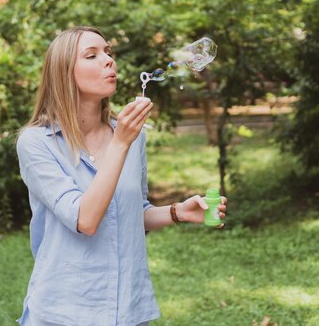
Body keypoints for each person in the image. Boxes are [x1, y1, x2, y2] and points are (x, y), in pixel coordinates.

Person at [15, 26, 227, 326]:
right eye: (92, 55)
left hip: (128, 309)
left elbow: (130, 213)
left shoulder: (131, 136)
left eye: (108, 52)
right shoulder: (37, 143)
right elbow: (85, 220)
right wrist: (121, 143)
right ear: (63, 73)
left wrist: (178, 212)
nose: (108, 60)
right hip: (65, 311)